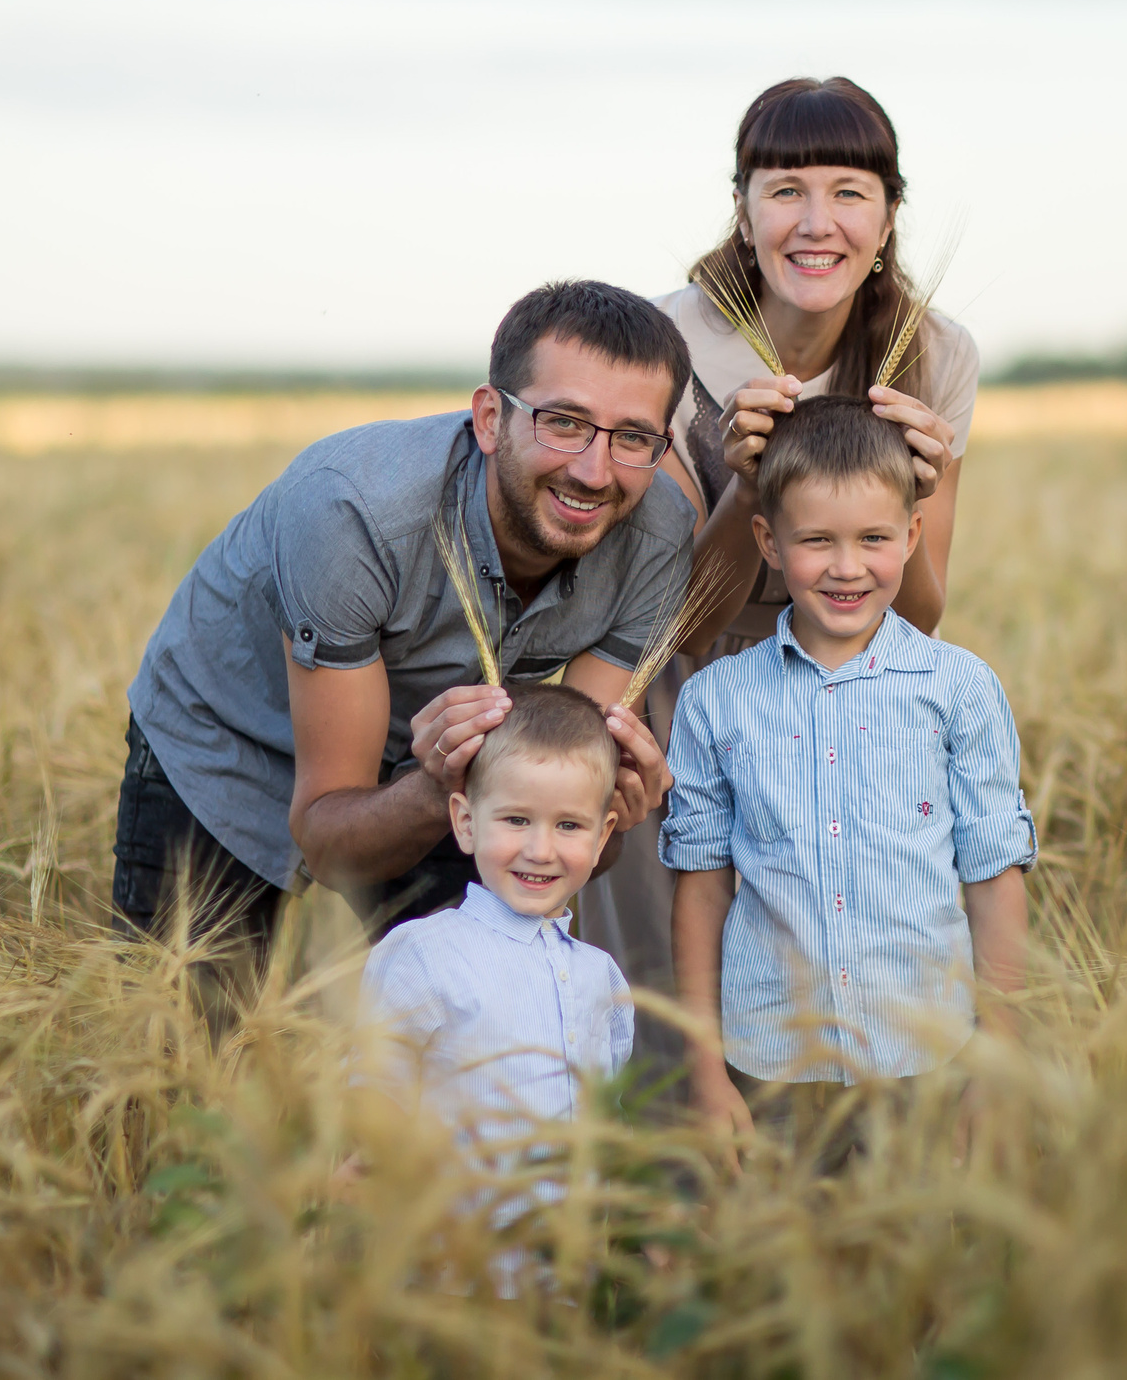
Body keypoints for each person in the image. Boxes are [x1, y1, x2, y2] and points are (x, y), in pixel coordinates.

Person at [114, 279, 692, 973]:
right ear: (488, 418)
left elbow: (564, 792)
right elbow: (328, 836)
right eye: (563, 422)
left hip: (450, 750)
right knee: (180, 1045)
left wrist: (609, 812)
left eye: (633, 437)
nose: (596, 471)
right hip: (228, 736)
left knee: (470, 1034)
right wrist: (432, 787)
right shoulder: (351, 510)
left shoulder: (660, 534)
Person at [575, 77, 980, 1061]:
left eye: (849, 191)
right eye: (785, 188)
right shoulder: (663, 345)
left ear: (888, 216)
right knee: (667, 1007)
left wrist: (914, 503)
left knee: (818, 995)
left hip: (830, 704)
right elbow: (678, 624)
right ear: (743, 209)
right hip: (674, 698)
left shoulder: (933, 354)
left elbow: (918, 618)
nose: (817, 221)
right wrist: (749, 486)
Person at [659, 395, 1034, 1155]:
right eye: (816, 540)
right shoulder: (714, 700)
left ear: (913, 535)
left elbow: (994, 880)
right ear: (767, 539)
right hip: (770, 1065)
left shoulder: (958, 688)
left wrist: (997, 1063)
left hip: (927, 1057)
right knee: (775, 1262)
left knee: (917, 1267)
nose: (846, 566)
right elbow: (702, 887)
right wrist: (704, 1065)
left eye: (873, 538)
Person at [361, 683, 634, 1147]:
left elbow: (608, 1117)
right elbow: (373, 1097)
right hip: (457, 1218)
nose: (539, 850)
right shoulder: (424, 955)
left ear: (602, 837)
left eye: (568, 825)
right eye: (516, 820)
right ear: (466, 823)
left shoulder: (602, 976)